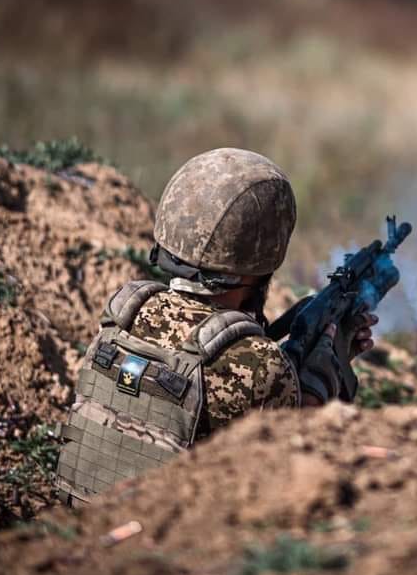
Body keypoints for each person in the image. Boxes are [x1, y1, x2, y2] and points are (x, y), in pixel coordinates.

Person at [54, 148, 375, 503]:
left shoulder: (126, 312)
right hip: (164, 548)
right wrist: (327, 370)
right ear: (264, 255)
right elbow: (294, 471)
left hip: (76, 524)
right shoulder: (261, 364)